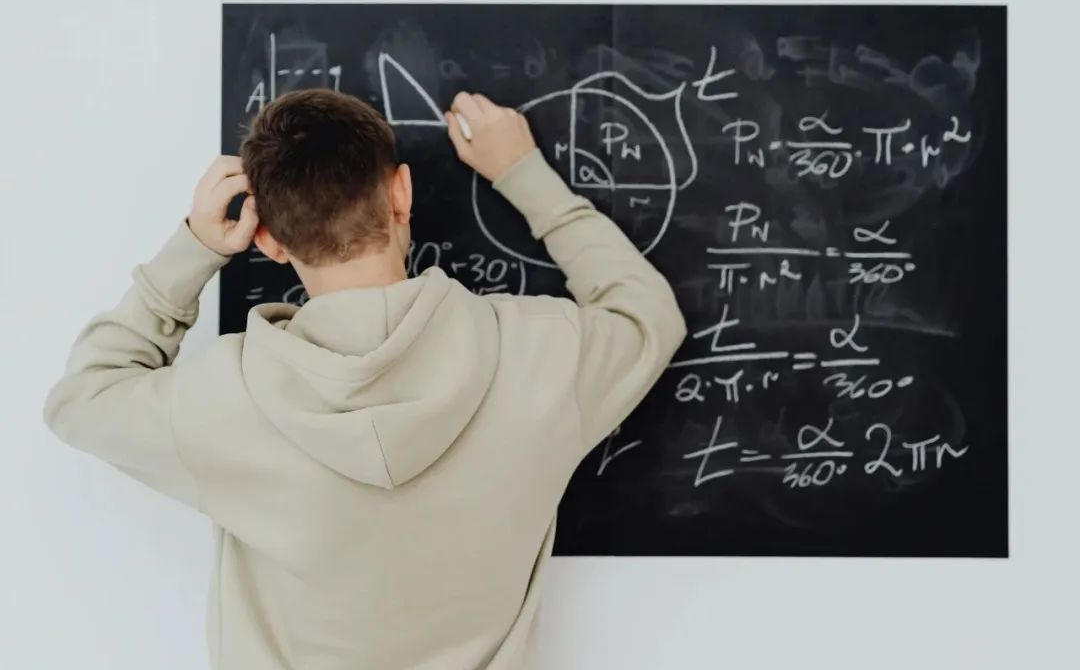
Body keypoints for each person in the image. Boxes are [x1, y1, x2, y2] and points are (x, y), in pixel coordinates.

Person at [43, 88, 687, 669]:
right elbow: (647, 315)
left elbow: (82, 398)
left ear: (265, 239)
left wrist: (195, 247)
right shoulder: (539, 356)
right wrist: (523, 173)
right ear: (401, 193)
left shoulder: (222, 402)